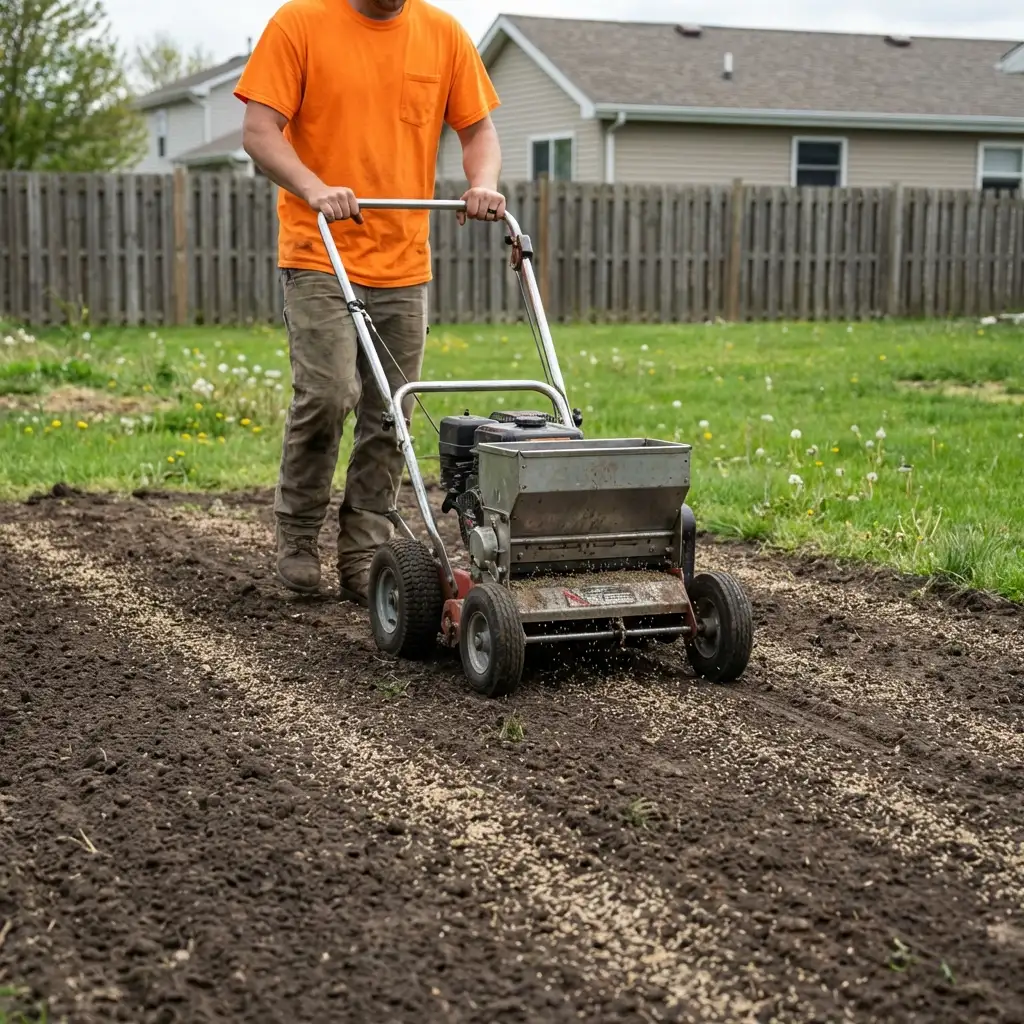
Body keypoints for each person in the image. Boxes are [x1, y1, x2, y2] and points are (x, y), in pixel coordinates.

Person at [235, 0, 504, 605]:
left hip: (404, 260)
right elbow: (258, 131)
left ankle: (363, 551)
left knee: (391, 413)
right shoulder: (299, 24)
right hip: (319, 251)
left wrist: (482, 182)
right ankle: (299, 536)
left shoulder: (442, 35)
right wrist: (314, 187)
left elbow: (478, 129)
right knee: (329, 394)